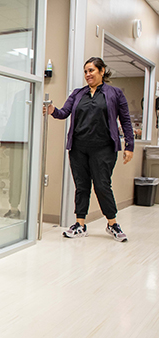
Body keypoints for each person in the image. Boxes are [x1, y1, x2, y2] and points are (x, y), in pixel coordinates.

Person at [45, 57, 134, 242]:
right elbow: (63, 113)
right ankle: (80, 224)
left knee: (102, 185)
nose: (88, 75)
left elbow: (125, 121)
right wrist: (53, 109)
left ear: (102, 71)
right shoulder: (78, 94)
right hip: (78, 148)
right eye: (85, 71)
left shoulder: (115, 93)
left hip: (104, 148)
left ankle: (112, 224)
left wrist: (129, 146)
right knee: (81, 186)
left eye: (91, 70)